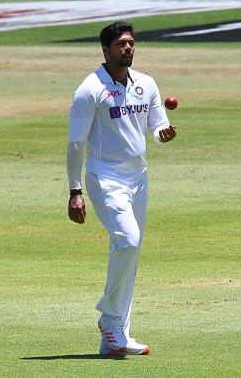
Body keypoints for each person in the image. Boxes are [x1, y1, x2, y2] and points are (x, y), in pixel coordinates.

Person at [66, 21, 177, 356]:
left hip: (138, 178)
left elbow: (157, 126)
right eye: (121, 44)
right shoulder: (90, 90)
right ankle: (110, 321)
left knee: (131, 249)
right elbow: (75, 144)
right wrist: (75, 191)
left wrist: (163, 134)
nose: (128, 48)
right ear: (106, 49)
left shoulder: (146, 83)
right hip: (105, 178)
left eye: (131, 43)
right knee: (127, 241)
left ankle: (116, 338)